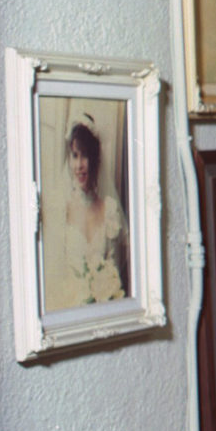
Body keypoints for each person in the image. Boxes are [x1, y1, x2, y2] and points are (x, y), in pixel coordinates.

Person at [55, 116, 129, 307]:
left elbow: (114, 269)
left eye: (85, 155)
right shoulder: (61, 210)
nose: (79, 165)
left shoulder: (109, 210)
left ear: (95, 159)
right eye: (74, 155)